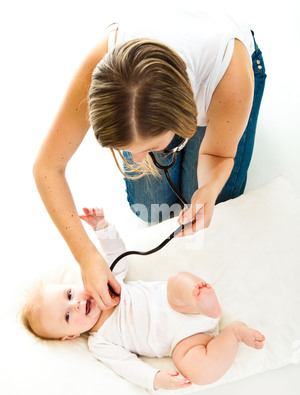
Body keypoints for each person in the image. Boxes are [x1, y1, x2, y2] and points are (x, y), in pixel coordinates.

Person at [33, 7, 266, 312]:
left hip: (228, 78)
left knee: (220, 204)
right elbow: (47, 167)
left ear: (185, 119)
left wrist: (209, 189)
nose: (137, 158)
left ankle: (219, 122)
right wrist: (87, 256)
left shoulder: (230, 75)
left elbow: (219, 153)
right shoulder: (99, 64)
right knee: (150, 207)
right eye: (127, 147)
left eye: (151, 145)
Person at [21, 207, 265, 391]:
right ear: (71, 336)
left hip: (179, 305)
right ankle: (232, 334)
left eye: (69, 294)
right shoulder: (100, 343)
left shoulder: (103, 284)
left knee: (176, 283)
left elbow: (117, 255)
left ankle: (200, 297)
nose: (75, 304)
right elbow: (128, 367)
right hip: (184, 342)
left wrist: (102, 227)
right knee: (199, 373)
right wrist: (156, 379)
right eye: (67, 315)